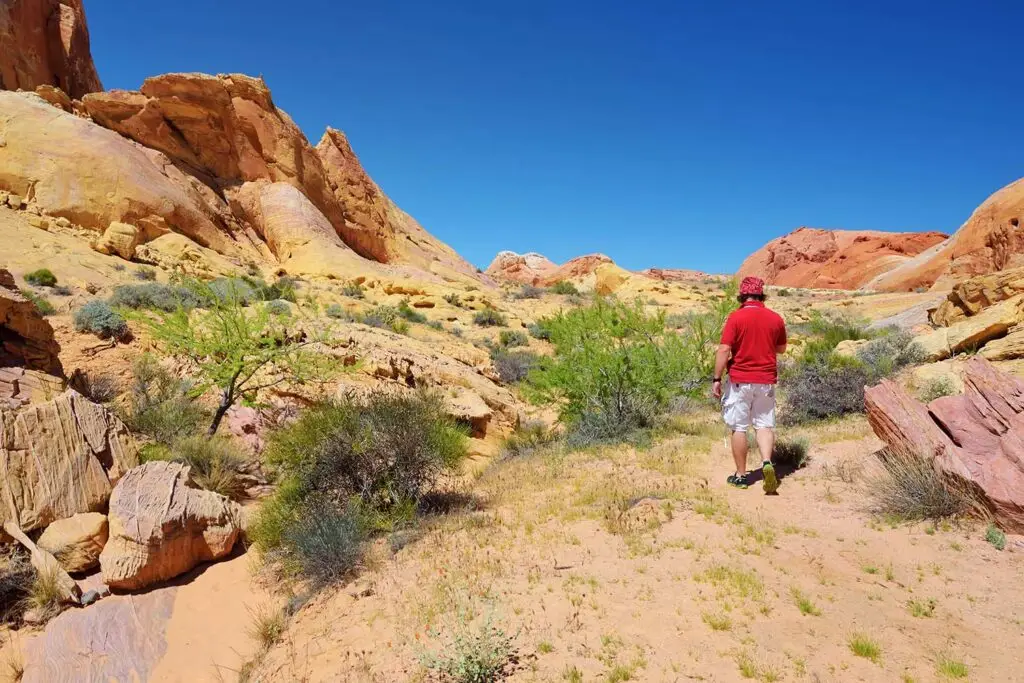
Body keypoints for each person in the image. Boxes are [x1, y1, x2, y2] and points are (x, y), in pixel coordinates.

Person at [711, 276, 787, 493]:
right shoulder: (775, 318)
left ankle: (741, 476)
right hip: (766, 381)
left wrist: (717, 378)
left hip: (740, 380)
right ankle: (766, 463)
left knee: (739, 427)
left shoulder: (736, 317)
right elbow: (781, 348)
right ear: (761, 295)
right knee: (764, 425)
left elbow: (724, 349)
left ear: (742, 296)